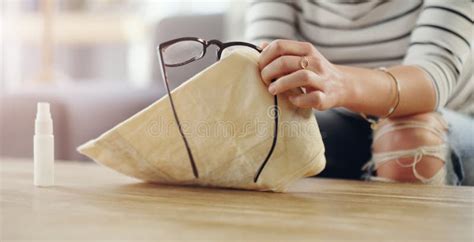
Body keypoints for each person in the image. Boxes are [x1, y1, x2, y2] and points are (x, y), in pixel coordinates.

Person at [245, 0, 473, 185]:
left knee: (410, 138)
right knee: (257, 137)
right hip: (340, 120)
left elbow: (431, 81)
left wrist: (342, 83)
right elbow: (261, 74)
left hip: (443, 119)